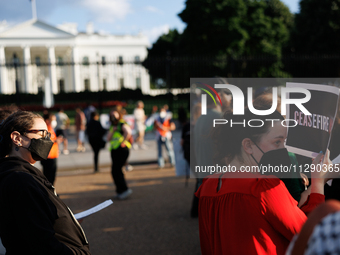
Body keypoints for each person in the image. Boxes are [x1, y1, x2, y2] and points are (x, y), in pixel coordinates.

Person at [195, 109, 330, 255]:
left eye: (284, 142)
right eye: (277, 142)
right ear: (248, 145)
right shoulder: (263, 188)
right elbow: (312, 238)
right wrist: (318, 183)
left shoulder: (208, 186)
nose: (283, 149)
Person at [0, 110, 90, 254]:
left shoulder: (22, 175)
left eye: (47, 134)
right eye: (42, 134)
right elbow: (42, 243)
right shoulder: (20, 180)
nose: (47, 140)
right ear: (17, 138)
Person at [107, 107, 133, 200]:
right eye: (111, 115)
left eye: (114, 114)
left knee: (117, 170)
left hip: (121, 149)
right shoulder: (112, 126)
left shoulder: (121, 124)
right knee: (115, 171)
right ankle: (120, 190)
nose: (113, 116)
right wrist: (112, 131)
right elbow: (108, 138)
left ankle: (124, 189)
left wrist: (123, 141)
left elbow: (128, 132)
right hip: (114, 150)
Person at [40, 112, 60, 185]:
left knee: (52, 175)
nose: (54, 121)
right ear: (48, 120)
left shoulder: (50, 128)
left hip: (52, 155)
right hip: (48, 156)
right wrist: (55, 140)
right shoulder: (45, 128)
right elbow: (45, 140)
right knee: (48, 176)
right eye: (53, 119)